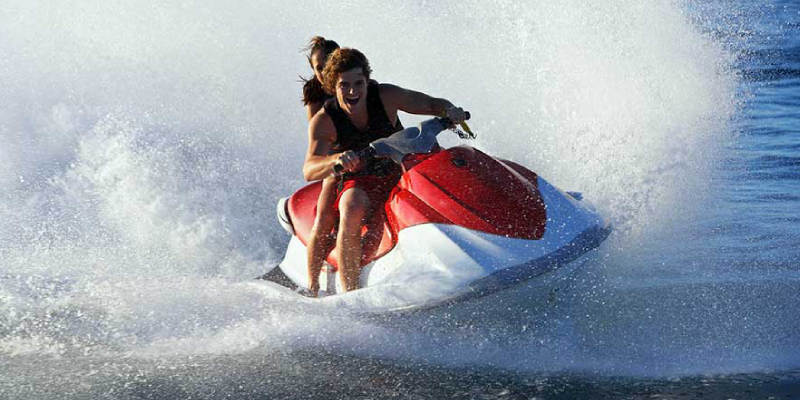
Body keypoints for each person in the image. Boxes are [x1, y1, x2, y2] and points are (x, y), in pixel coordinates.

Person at [303, 47, 466, 294]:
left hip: (401, 164)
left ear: (368, 81)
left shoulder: (386, 95)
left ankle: (477, 233)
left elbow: (433, 104)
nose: (352, 92)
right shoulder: (325, 120)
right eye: (344, 85)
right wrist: (337, 159)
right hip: (362, 178)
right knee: (350, 205)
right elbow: (309, 168)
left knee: (452, 164)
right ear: (333, 86)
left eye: (359, 83)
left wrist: (450, 110)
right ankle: (350, 292)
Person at [300, 36, 341, 298]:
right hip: (337, 155)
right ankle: (313, 284)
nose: (324, 70)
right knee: (325, 214)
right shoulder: (315, 93)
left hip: (375, 150)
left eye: (329, 63)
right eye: (318, 66)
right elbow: (318, 132)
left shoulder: (354, 83)